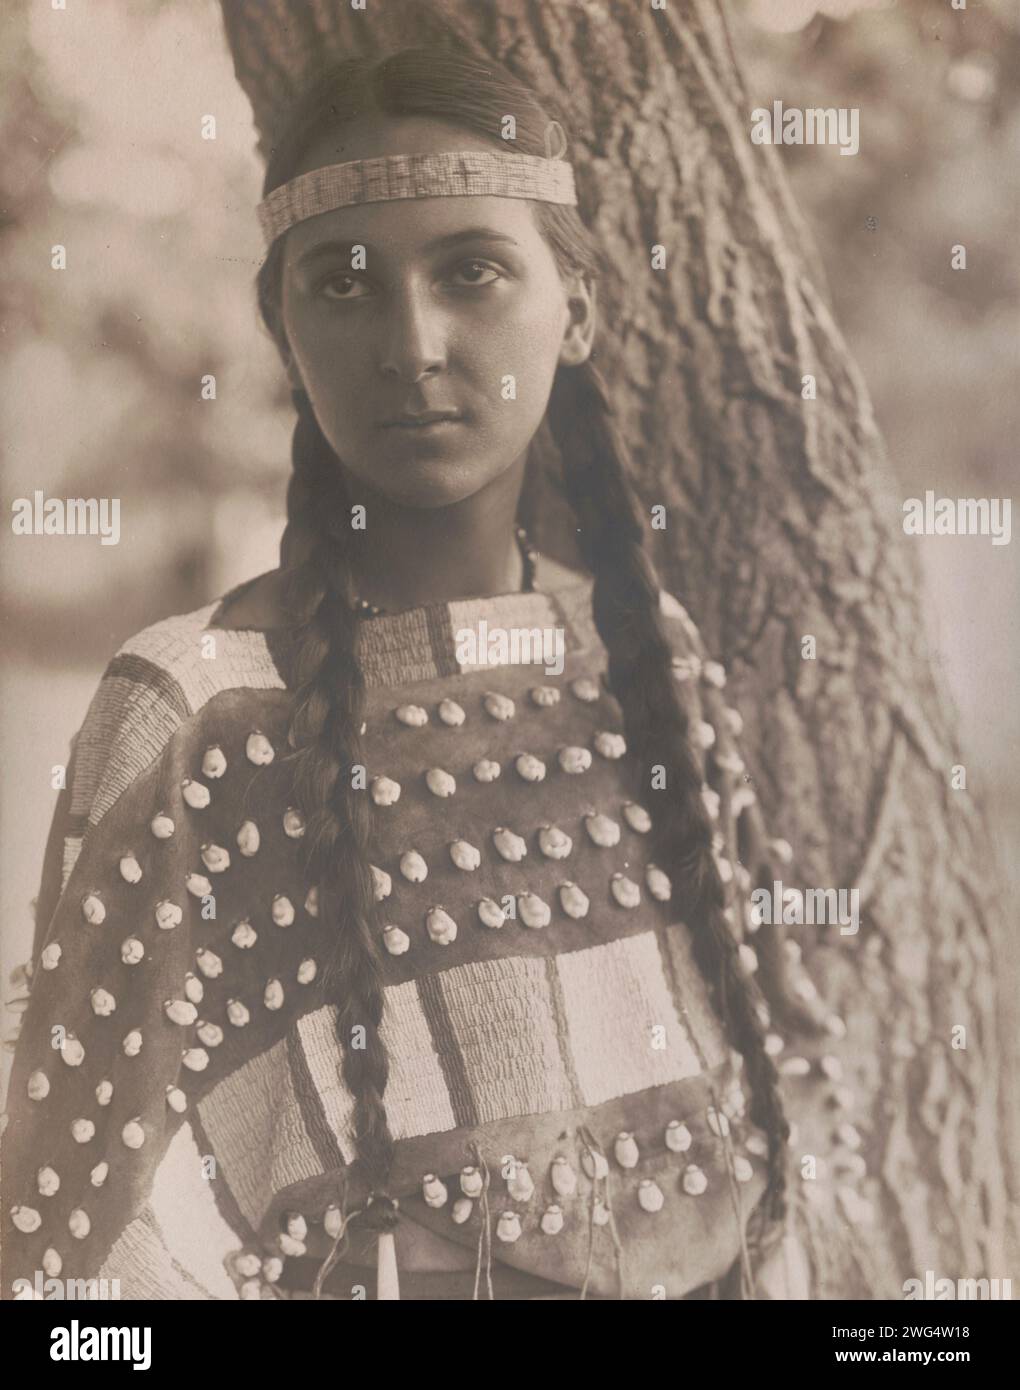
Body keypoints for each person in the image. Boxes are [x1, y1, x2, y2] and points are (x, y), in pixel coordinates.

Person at [3, 46, 831, 1301]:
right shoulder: (200, 703)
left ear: (581, 307)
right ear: (282, 322)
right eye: (344, 284)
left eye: (474, 271)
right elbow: (53, 1247)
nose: (414, 341)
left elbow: (786, 1121)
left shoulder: (649, 658)